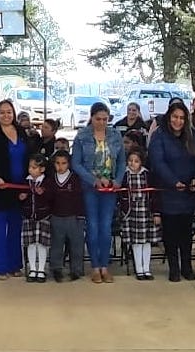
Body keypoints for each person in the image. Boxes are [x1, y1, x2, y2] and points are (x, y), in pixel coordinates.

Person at [148, 103, 195, 283]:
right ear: (169, 117)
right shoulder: (160, 135)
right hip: (169, 192)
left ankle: (187, 267)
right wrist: (174, 181)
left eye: (181, 118)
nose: (178, 121)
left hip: (189, 191)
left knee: (186, 233)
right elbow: (157, 162)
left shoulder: (193, 133)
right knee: (170, 234)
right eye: (175, 117)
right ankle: (174, 268)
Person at [71, 101, 125, 284]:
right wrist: (93, 180)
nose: (101, 122)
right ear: (91, 118)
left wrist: (117, 180)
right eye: (98, 119)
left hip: (110, 189)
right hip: (90, 188)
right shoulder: (81, 136)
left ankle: (105, 266)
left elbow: (123, 162)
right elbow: (76, 164)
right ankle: (95, 267)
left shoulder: (116, 135)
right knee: (93, 227)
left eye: (105, 119)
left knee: (106, 228)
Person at [0, 99, 29, 280]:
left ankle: (14, 265)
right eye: (2, 112)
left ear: (14, 113)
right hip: (0, 188)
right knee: (0, 229)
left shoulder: (21, 132)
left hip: (20, 187)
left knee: (16, 227)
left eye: (9, 112)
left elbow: (28, 158)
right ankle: (0, 268)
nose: (6, 115)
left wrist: (27, 184)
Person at [119, 147, 160, 281]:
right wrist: (124, 210)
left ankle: (147, 269)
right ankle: (139, 270)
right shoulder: (124, 175)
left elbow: (154, 195)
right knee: (136, 242)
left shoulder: (148, 175)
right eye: (130, 160)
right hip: (131, 213)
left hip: (146, 212)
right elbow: (120, 194)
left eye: (136, 161)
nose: (132, 163)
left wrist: (156, 213)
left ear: (141, 162)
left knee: (146, 242)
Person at [47, 149, 84, 282]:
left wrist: (80, 216)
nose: (60, 166)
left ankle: (76, 270)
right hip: (56, 217)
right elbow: (48, 199)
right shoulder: (51, 180)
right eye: (57, 163)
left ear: (69, 164)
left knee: (76, 245)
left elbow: (79, 198)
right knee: (57, 245)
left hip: (73, 217)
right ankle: (56, 269)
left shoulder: (75, 179)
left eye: (63, 163)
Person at [18, 153, 52, 282]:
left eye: (35, 167)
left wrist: (43, 194)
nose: (31, 169)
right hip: (28, 217)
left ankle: (41, 269)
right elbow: (20, 195)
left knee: (42, 244)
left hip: (43, 217)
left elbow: (51, 197)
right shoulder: (25, 181)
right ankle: (32, 269)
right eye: (30, 167)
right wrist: (21, 197)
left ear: (42, 169)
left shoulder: (47, 182)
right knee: (31, 244)